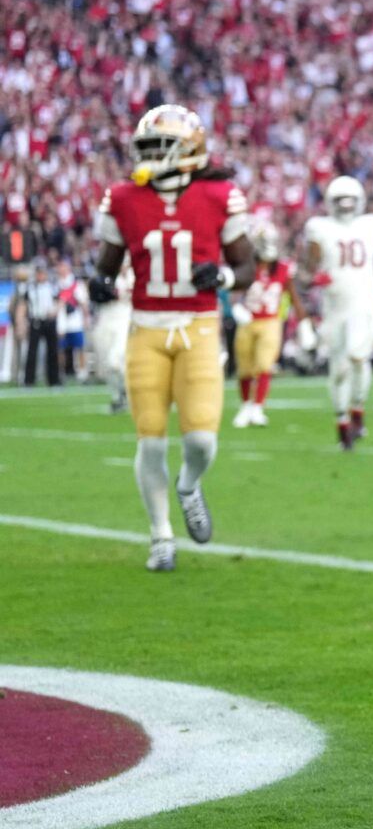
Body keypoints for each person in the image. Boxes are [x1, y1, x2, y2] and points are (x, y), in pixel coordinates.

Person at [89, 105, 255, 572]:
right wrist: (98, 284)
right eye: (147, 147)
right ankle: (160, 534)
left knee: (201, 440)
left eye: (161, 147)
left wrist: (220, 276)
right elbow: (104, 269)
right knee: (152, 441)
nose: (150, 156)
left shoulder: (219, 194)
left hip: (199, 327)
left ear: (189, 150)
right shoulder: (122, 198)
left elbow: (246, 267)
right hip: (146, 327)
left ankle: (188, 486)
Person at [302, 177, 373, 450]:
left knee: (359, 357)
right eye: (341, 200)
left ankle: (358, 409)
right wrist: (313, 277)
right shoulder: (320, 228)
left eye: (351, 200)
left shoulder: (372, 225)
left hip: (365, 303)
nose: (347, 206)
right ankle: (342, 424)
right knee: (338, 368)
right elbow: (308, 267)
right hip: (335, 306)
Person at [231, 226, 295, 427]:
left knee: (264, 365)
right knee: (245, 368)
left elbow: (292, 295)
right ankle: (246, 406)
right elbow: (234, 292)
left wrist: (304, 322)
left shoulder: (283, 268)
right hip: (248, 321)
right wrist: (235, 307)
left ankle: (258, 407)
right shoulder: (248, 267)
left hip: (270, 321)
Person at [90, 262, 134, 413]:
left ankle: (126, 391)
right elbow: (95, 293)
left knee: (115, 360)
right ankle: (117, 397)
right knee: (107, 364)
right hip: (105, 318)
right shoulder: (105, 276)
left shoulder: (134, 277)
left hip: (124, 319)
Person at [22, 262, 60, 387]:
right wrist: (22, 322)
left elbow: (58, 301)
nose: (40, 276)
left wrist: (54, 311)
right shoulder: (30, 288)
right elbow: (24, 305)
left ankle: (54, 380)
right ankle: (29, 381)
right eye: (38, 273)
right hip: (36, 321)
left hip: (49, 321)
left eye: (42, 273)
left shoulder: (52, 286)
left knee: (52, 351)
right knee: (32, 351)